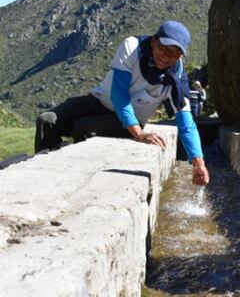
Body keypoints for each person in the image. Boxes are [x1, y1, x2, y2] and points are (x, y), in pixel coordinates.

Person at [35, 20, 210, 185]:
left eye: (175, 54)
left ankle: (73, 179)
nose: (167, 57)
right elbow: (119, 94)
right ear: (153, 42)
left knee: (84, 127)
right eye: (163, 49)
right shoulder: (132, 47)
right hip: (99, 101)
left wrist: (198, 163)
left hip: (128, 120)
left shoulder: (176, 78)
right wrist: (140, 135)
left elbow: (186, 122)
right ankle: (43, 176)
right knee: (47, 120)